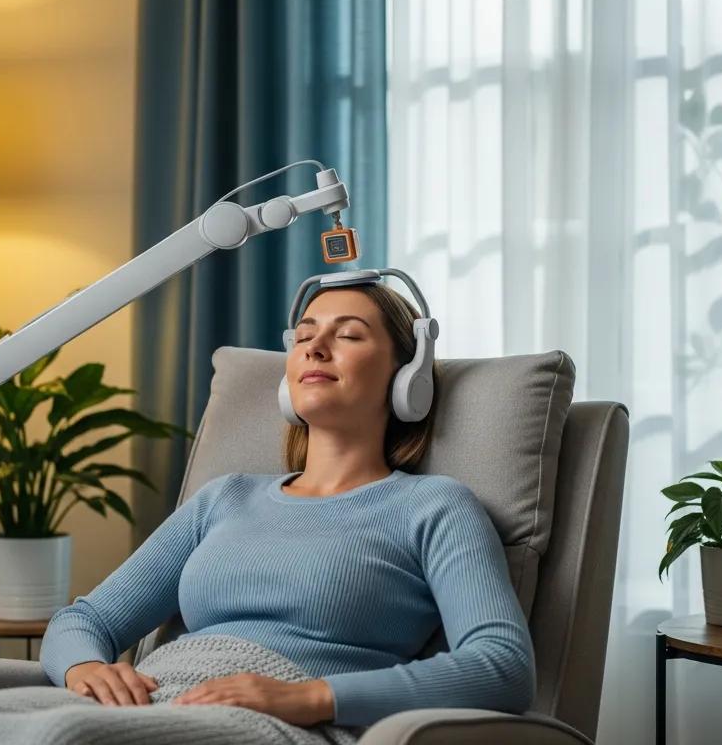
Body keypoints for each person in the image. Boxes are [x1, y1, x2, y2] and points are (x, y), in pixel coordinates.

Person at [41, 282, 536, 731]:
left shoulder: (433, 507)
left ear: (408, 377)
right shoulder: (224, 497)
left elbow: (502, 665)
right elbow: (85, 621)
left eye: (349, 336)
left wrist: (311, 697)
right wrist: (86, 669)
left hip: (269, 728)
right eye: (303, 337)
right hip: (152, 705)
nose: (315, 348)